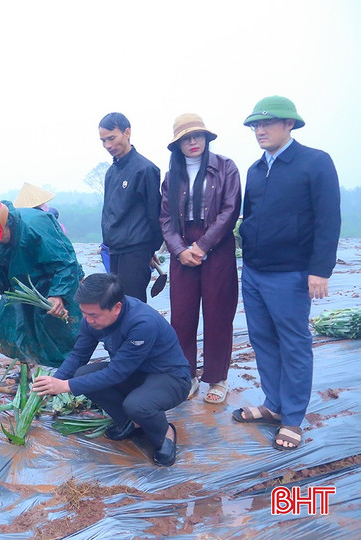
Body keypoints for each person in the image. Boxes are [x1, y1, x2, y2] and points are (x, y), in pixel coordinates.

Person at [233, 96, 341, 452]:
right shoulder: (255, 169)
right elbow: (250, 218)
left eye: (267, 124)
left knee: (294, 343)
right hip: (254, 271)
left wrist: (319, 270)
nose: (259, 131)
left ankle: (293, 417)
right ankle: (273, 404)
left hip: (291, 273)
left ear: (290, 125)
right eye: (254, 126)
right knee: (262, 338)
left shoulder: (314, 162)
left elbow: (328, 219)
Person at [33, 273, 190, 466]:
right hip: (135, 373)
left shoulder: (142, 324)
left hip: (169, 377)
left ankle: (165, 433)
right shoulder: (93, 319)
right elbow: (78, 355)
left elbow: (117, 373)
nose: (88, 320)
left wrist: (64, 385)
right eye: (84, 313)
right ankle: (132, 422)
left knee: (137, 405)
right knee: (82, 375)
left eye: (93, 315)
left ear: (117, 308)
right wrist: (53, 383)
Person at [159, 114, 241, 404]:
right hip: (182, 250)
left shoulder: (226, 168)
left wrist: (203, 245)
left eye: (197, 136)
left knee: (218, 314)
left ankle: (218, 378)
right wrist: (179, 249)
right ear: (177, 144)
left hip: (216, 246)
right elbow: (166, 219)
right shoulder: (172, 177)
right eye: (185, 138)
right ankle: (187, 376)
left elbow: (230, 210)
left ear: (206, 139)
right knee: (181, 316)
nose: (193, 142)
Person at [0, 200, 83, 367]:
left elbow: (66, 263)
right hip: (22, 287)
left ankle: (63, 376)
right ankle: (28, 373)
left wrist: (58, 294)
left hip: (51, 281)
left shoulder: (35, 227)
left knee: (56, 332)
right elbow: (2, 269)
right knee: (11, 325)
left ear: (7, 224)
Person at [99, 112, 163, 302]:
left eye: (112, 138)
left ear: (127, 132)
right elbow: (108, 212)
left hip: (135, 250)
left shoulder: (145, 169)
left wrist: (151, 249)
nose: (108, 145)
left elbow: (155, 214)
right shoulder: (111, 172)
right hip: (114, 249)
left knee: (132, 305)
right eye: (103, 141)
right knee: (116, 305)